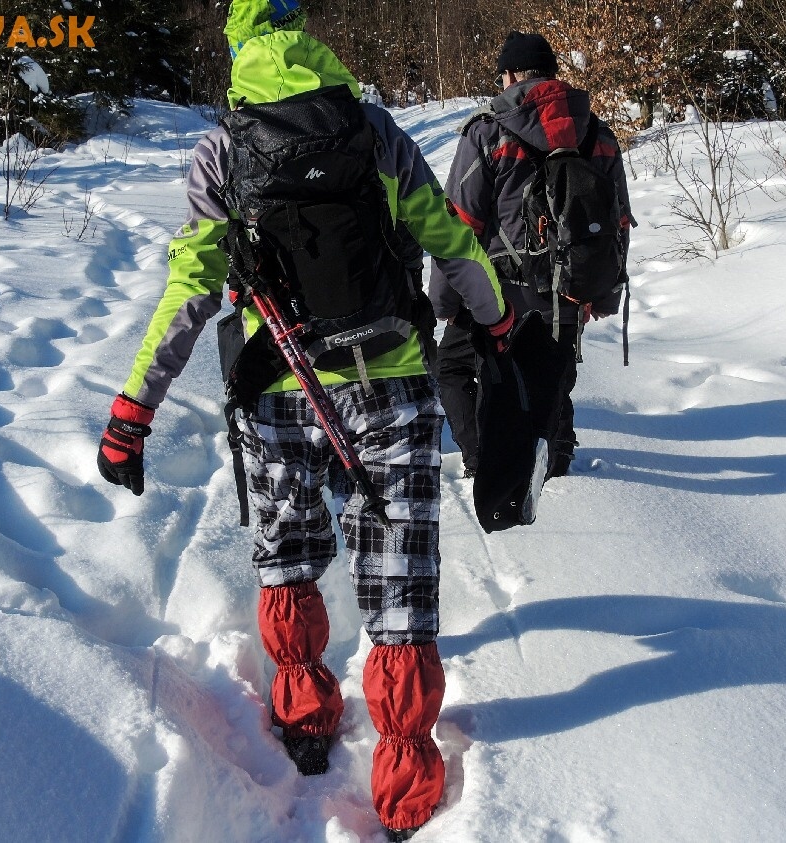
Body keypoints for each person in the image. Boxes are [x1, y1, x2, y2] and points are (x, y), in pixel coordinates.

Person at [94, 2, 510, 839]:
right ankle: (404, 787)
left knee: (286, 556)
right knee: (401, 583)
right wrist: (492, 315)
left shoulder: (222, 150)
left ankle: (306, 717)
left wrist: (132, 410)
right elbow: (447, 238)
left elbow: (189, 291)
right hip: (389, 380)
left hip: (278, 385)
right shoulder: (374, 129)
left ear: (239, 48)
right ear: (305, 33)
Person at [431, 31, 633, 479]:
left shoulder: (488, 132)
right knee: (554, 371)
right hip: (568, 287)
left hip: (498, 290)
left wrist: (444, 302)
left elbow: (457, 226)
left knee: (452, 367)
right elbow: (617, 222)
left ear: (511, 75)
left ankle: (485, 463)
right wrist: (602, 293)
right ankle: (555, 461)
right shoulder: (598, 134)